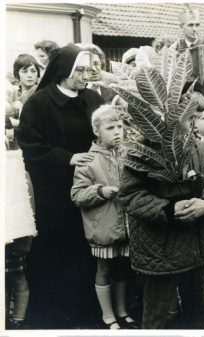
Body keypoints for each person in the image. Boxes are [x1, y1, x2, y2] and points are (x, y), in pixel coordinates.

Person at [16, 45, 105, 328]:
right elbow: (30, 145)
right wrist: (68, 159)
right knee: (58, 252)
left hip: (91, 187)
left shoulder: (92, 97)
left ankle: (87, 313)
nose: (85, 75)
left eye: (88, 69)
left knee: (88, 251)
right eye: (79, 70)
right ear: (63, 70)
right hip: (55, 191)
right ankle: (54, 317)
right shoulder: (39, 102)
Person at [117, 118, 204, 329]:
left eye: (190, 117)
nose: (188, 122)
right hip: (159, 247)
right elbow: (130, 196)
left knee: (197, 311)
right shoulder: (141, 150)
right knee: (156, 314)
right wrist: (169, 209)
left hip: (195, 244)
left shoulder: (197, 147)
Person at [71, 106, 139, 330]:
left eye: (120, 127)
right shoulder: (88, 160)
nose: (117, 132)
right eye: (110, 128)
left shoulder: (129, 154)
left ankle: (121, 311)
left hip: (127, 225)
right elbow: (77, 195)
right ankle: (108, 315)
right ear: (96, 131)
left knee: (122, 268)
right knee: (104, 269)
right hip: (104, 226)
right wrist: (100, 191)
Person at [4, 136, 37, 329]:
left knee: (18, 278)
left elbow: (29, 208)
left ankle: (18, 320)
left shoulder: (20, 175)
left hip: (16, 239)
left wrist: (25, 243)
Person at [5, 54, 40, 131]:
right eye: (24, 71)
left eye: (33, 71)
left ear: (38, 74)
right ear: (17, 75)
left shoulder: (41, 93)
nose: (30, 75)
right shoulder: (11, 94)